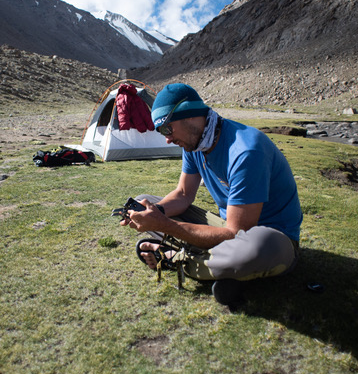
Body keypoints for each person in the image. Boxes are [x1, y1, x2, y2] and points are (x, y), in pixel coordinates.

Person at [120, 83, 302, 307]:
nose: (167, 139)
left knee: (257, 249)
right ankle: (223, 270)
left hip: (271, 237)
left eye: (167, 129)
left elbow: (237, 233)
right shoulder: (194, 145)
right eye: (161, 132)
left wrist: (164, 225)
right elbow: (184, 194)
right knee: (145, 200)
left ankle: (174, 258)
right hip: (229, 227)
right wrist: (154, 213)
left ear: (191, 116)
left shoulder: (246, 151)